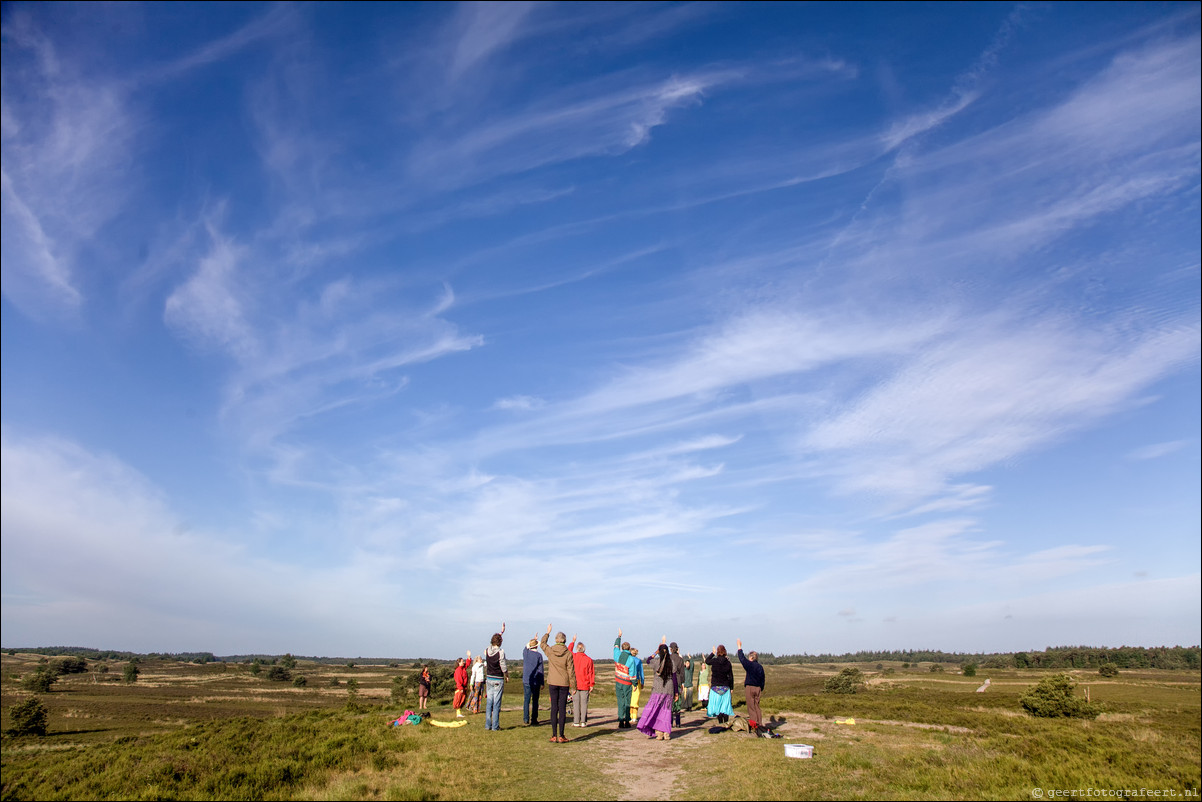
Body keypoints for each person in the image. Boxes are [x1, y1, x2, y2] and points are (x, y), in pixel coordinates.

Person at [540, 624, 577, 743]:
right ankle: (561, 735)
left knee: (554, 708)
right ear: (564, 641)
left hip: (552, 682)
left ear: (556, 640)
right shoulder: (568, 654)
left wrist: (547, 633)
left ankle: (554, 735)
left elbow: (542, 644)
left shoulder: (550, 651)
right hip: (564, 683)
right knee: (562, 708)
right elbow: (571, 671)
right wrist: (574, 686)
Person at [637, 640, 680, 741]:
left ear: (660, 652)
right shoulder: (672, 662)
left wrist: (655, 652)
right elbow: (674, 678)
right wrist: (676, 692)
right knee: (666, 711)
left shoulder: (656, 662)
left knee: (656, 710)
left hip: (657, 689)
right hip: (668, 689)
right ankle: (666, 733)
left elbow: (648, 660)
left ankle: (659, 733)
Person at [736, 638, 765, 732]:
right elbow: (763, 679)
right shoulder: (760, 667)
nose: (748, 659)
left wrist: (739, 648)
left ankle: (754, 726)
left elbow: (742, 659)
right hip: (758, 688)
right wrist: (761, 688)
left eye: (750, 657)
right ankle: (760, 724)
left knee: (751, 707)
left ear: (752, 658)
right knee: (757, 706)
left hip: (750, 687)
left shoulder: (750, 665)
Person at [484, 622, 508, 731]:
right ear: (500, 642)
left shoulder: (488, 650)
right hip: (498, 678)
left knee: (489, 702)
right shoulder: (501, 652)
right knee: (497, 703)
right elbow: (503, 666)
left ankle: (487, 725)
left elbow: (495, 641)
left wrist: (501, 632)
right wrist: (506, 675)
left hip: (489, 678)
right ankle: (495, 726)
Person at [568, 636, 595, 727]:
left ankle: (576, 722)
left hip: (575, 684)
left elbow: (568, 651)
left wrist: (572, 642)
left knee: (576, 703)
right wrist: (591, 684)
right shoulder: (589, 660)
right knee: (584, 704)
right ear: (584, 649)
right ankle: (583, 722)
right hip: (585, 684)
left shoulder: (573, 656)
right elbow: (591, 673)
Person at [705, 644, 735, 724]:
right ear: (725, 652)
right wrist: (731, 687)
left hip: (715, 688)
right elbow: (731, 676)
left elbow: (707, 661)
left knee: (718, 706)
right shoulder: (728, 663)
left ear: (718, 652)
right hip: (725, 687)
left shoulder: (714, 661)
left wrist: (712, 653)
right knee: (725, 707)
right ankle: (726, 723)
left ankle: (720, 723)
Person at [613, 629, 635, 728]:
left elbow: (615, 646)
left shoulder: (617, 655)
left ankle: (621, 720)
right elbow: (632, 673)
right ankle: (627, 720)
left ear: (622, 648)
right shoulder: (631, 659)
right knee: (627, 701)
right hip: (627, 683)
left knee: (620, 701)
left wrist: (619, 637)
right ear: (629, 649)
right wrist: (634, 684)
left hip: (618, 681)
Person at [522, 637, 545, 726]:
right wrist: (542, 682)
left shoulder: (526, 653)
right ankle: (534, 719)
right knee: (535, 700)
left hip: (527, 680)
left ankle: (526, 718)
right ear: (536, 646)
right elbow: (541, 670)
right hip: (536, 681)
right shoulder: (539, 655)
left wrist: (531, 641)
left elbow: (525, 647)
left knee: (526, 700)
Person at [629, 646, 645, 724]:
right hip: (637, 680)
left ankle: (630, 716)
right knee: (635, 699)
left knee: (630, 698)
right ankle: (634, 717)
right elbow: (641, 672)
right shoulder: (638, 661)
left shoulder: (628, 660)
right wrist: (642, 682)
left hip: (629, 680)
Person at [453, 651, 471, 718]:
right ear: (459, 663)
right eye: (462, 661)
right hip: (460, 688)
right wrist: (460, 688)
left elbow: (467, 664)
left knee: (462, 700)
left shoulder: (463, 668)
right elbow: (458, 680)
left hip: (463, 687)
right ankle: (458, 713)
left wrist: (469, 657)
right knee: (458, 700)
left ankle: (459, 713)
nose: (463, 662)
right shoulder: (458, 670)